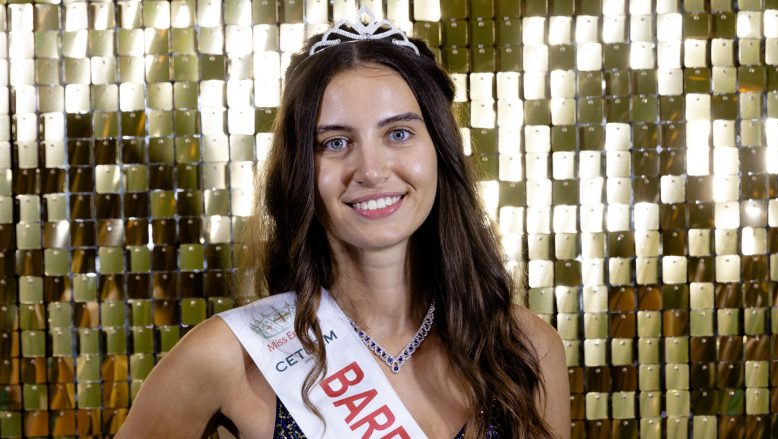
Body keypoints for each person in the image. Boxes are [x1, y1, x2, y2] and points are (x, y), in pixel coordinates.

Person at [117, 8, 569, 439]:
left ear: (440, 150)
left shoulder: (524, 349)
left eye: (398, 133)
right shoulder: (227, 357)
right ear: (300, 171)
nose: (370, 171)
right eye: (335, 143)